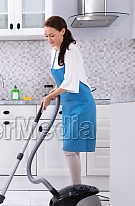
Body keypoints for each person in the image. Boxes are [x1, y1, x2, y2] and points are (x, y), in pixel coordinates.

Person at [41, 16, 96, 185]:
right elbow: (63, 81)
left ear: (62, 31)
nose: (49, 39)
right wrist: (55, 92)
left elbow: (71, 81)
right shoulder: (54, 52)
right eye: (46, 36)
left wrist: (51, 96)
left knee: (70, 150)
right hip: (69, 105)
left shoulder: (71, 50)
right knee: (73, 149)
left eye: (52, 35)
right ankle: (77, 191)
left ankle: (76, 190)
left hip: (81, 103)